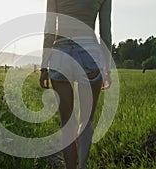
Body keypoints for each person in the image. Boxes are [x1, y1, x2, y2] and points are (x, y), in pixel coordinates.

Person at [39, 0, 112, 169]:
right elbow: (105, 33)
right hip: (90, 54)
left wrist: (44, 66)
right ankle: (82, 166)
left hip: (60, 55)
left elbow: (50, 28)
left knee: (67, 124)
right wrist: (106, 67)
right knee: (86, 121)